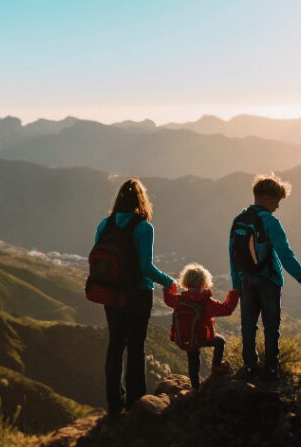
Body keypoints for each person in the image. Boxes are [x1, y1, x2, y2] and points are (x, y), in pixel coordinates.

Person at [95, 178, 176, 415]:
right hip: (138, 294)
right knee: (136, 346)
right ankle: (135, 401)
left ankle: (114, 402)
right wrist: (169, 281)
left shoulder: (105, 224)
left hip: (111, 294)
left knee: (116, 344)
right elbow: (145, 266)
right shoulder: (143, 227)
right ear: (142, 201)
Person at [229, 173, 301, 381]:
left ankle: (249, 365)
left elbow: (233, 253)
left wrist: (236, 284)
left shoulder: (239, 220)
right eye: (276, 201)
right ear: (266, 198)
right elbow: (285, 254)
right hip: (268, 279)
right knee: (271, 325)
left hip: (246, 278)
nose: (277, 206)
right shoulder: (271, 222)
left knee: (248, 325)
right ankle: (272, 367)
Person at [163, 263, 240, 389]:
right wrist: (235, 293)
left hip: (185, 339)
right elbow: (226, 309)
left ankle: (195, 388)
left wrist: (169, 286)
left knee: (193, 362)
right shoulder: (205, 302)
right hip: (201, 338)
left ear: (185, 281)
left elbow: (167, 299)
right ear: (204, 282)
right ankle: (216, 366)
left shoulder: (179, 299)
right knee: (220, 341)